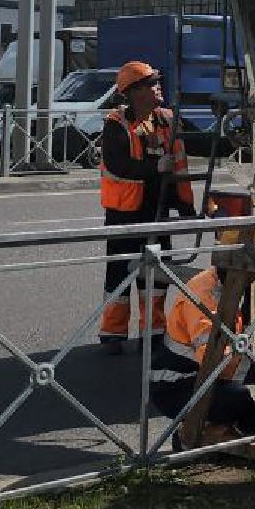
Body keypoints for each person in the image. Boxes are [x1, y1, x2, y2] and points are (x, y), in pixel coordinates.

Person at [97, 61, 196, 352]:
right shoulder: (116, 124)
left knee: (156, 275)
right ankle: (112, 333)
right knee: (119, 274)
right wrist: (155, 167)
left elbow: (188, 157)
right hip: (124, 214)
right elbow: (119, 164)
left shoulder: (167, 119)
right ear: (135, 92)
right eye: (152, 84)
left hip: (158, 210)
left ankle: (152, 333)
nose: (158, 88)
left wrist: (187, 208)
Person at [148, 263, 255, 445]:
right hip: (174, 386)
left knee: (239, 400)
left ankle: (251, 439)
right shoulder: (205, 297)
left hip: (193, 378)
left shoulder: (222, 282)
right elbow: (213, 361)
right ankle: (191, 436)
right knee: (237, 398)